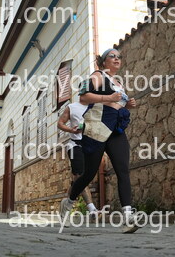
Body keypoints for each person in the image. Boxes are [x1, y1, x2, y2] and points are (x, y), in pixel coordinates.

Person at [60, 48, 139, 233]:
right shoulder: (97, 76)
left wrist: (128, 105)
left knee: (123, 170)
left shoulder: (118, 82)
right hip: (97, 128)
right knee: (88, 174)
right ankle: (68, 202)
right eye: (112, 56)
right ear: (103, 62)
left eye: (119, 56)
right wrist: (108, 97)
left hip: (116, 130)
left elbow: (116, 104)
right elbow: (83, 95)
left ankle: (128, 217)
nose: (117, 59)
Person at [57, 102, 101, 219]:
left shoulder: (97, 107)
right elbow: (60, 123)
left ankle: (66, 204)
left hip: (90, 146)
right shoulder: (72, 107)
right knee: (80, 175)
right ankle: (92, 209)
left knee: (79, 180)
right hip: (75, 145)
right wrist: (71, 130)